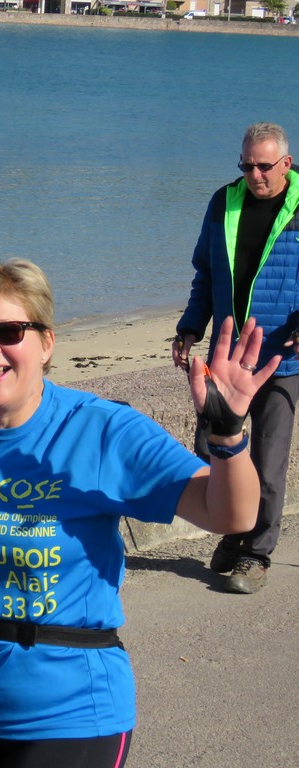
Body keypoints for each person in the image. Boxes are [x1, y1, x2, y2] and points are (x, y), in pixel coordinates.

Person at [0, 258, 272, 768]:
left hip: (73, 716)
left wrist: (227, 436)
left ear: (47, 343)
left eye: (9, 332)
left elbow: (231, 515)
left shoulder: (102, 430)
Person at [172, 121, 299, 594]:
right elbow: (205, 273)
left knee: (267, 460)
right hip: (227, 360)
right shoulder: (223, 201)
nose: (254, 175)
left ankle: (257, 554)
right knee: (215, 451)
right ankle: (235, 529)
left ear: (286, 163)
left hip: (282, 360)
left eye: (264, 166)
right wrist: (190, 326)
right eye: (246, 166)